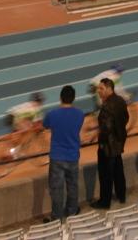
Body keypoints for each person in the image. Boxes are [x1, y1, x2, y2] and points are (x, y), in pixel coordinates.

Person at [42, 86, 84, 222]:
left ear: (60, 98)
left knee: (56, 188)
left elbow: (45, 125)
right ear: (73, 98)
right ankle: (72, 211)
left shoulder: (52, 114)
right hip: (73, 156)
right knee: (72, 185)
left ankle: (57, 215)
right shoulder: (79, 114)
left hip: (57, 157)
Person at [91, 77, 128, 209]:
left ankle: (104, 201)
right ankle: (121, 195)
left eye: (101, 88)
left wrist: (99, 138)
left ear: (109, 88)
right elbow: (126, 118)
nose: (99, 91)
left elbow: (106, 128)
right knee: (118, 171)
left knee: (105, 175)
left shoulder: (106, 107)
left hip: (107, 146)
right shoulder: (121, 101)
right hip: (118, 143)